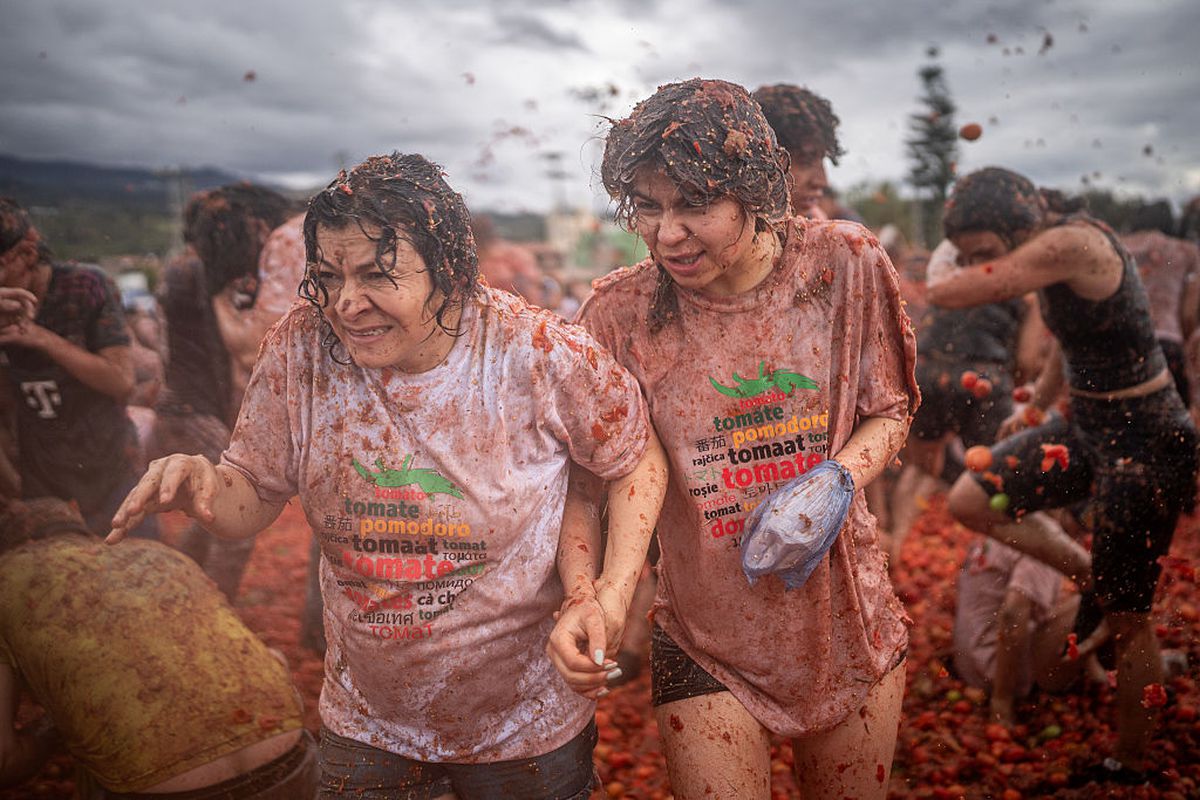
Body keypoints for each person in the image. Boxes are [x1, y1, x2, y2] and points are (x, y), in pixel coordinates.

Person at [108, 152, 666, 800]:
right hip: (366, 720)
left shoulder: (534, 351)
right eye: (328, 276)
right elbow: (253, 492)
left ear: (451, 273)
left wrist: (610, 596)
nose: (347, 303)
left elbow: (634, 459)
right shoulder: (302, 349)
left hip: (525, 720)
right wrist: (204, 485)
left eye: (377, 275)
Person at [560, 79, 917, 799]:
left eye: (693, 205)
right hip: (704, 635)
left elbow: (892, 408)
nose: (667, 234)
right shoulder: (620, 312)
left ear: (755, 193)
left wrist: (836, 479)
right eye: (649, 208)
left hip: (845, 623)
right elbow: (590, 481)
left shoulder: (840, 265)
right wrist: (591, 592)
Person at [927, 167, 1200, 786]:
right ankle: (1087, 575)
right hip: (1087, 424)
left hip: (1147, 436)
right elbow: (1065, 341)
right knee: (971, 498)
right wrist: (1034, 406)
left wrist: (950, 261)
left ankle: (1128, 762)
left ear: (1019, 228)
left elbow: (948, 292)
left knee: (1130, 618)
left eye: (986, 252)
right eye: (968, 253)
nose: (977, 263)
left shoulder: (1069, 242)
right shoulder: (1052, 256)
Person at [0, 497, 316, 798]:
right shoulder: (157, 552)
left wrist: (55, 727)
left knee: (89, 742)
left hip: (173, 789)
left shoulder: (7, 581)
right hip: (292, 757)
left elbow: (6, 761)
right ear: (81, 532)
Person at [151, 184, 295, 600]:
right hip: (187, 409)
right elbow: (244, 348)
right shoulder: (194, 275)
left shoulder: (198, 273)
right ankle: (214, 614)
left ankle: (175, 593)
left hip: (195, 408)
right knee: (238, 511)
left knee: (208, 516)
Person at [0, 198, 155, 539]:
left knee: (142, 565)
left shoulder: (85, 286)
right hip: (39, 469)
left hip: (106, 459)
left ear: (26, 253)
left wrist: (43, 339)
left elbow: (121, 381)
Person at [952, 536, 1092, 726]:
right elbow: (1011, 614)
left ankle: (1093, 669)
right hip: (999, 672)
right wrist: (1002, 700)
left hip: (968, 666)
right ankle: (1095, 673)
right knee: (1109, 595)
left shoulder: (1000, 528)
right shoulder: (1045, 545)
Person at [1120, 199, 1200, 406]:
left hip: (1119, 344)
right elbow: (1189, 314)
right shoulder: (1186, 251)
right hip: (1167, 344)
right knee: (1175, 428)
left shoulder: (1116, 245)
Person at [752, 83, 844, 219]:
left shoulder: (818, 227)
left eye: (822, 159)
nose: (822, 181)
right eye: (806, 161)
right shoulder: (717, 233)